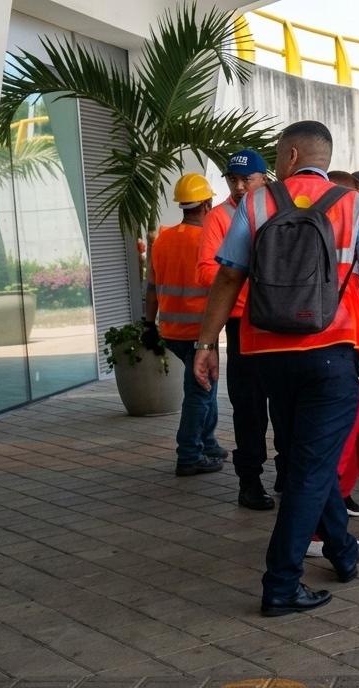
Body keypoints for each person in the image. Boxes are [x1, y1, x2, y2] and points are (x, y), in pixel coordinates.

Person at [193, 120, 359, 616]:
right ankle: (281, 584)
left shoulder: (256, 203)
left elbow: (226, 277)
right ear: (323, 159)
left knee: (306, 457)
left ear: (287, 156)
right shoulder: (357, 206)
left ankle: (343, 551)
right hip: (331, 353)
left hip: (266, 353)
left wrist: (207, 343)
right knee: (311, 468)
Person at [198, 149, 275, 510]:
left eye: (249, 179)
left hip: (279, 321)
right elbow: (206, 273)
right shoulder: (219, 217)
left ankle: (289, 475)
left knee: (287, 404)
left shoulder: (280, 208)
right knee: (249, 407)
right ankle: (250, 481)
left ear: (264, 178)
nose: (241, 186)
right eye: (234, 180)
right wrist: (250, 282)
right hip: (242, 323)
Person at [144, 173, 229, 477]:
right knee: (200, 393)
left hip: (171, 331)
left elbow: (151, 287)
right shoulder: (208, 242)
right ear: (207, 204)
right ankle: (189, 454)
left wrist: (147, 324)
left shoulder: (162, 238)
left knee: (204, 389)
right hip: (199, 333)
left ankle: (208, 442)